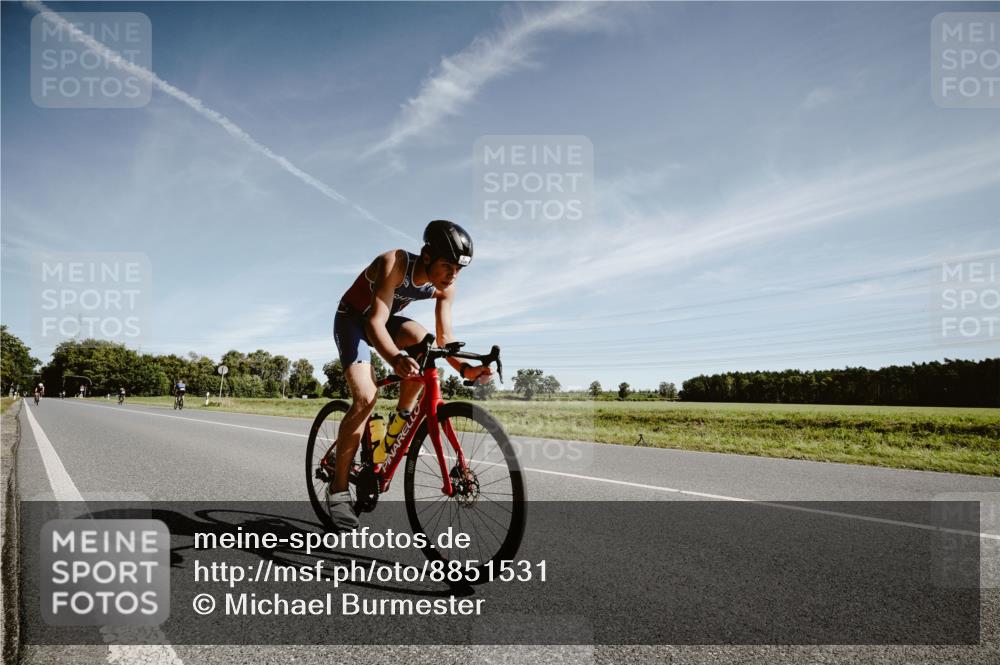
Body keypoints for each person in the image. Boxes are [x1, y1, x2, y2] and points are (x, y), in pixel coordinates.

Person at [326, 220, 491, 530]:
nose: (453, 274)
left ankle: (399, 421)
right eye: (447, 265)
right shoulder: (395, 263)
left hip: (385, 320)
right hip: (354, 321)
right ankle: (336, 492)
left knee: (424, 342)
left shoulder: (446, 286)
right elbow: (374, 323)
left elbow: (444, 339)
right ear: (427, 256)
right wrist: (395, 358)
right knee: (366, 397)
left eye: (459, 268)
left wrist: (466, 369)